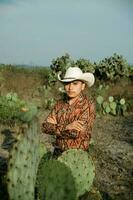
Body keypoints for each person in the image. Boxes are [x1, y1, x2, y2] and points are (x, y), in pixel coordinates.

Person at [42, 66, 96, 154]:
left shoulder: (88, 105)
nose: (70, 87)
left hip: (77, 156)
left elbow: (76, 133)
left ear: (83, 86)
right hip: (58, 153)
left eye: (75, 83)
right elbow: (44, 127)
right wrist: (67, 127)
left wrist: (56, 127)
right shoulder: (59, 104)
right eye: (67, 83)